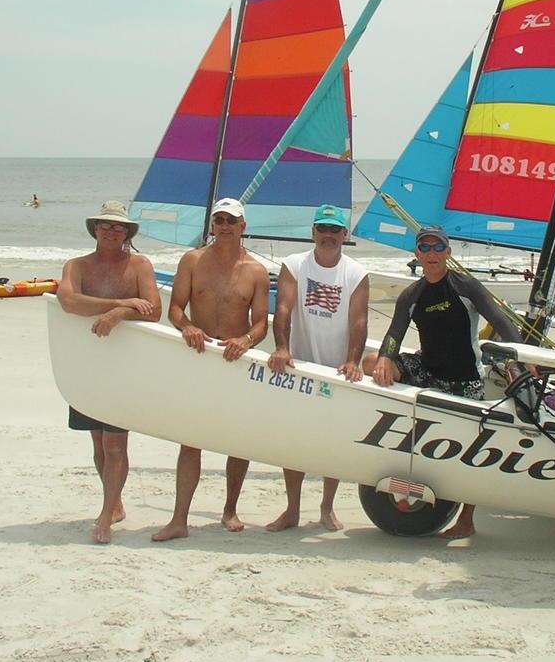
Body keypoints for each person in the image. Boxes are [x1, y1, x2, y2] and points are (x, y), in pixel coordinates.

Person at [362, 224, 528, 540]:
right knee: (372, 362)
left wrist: (521, 357)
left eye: (438, 247)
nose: (432, 254)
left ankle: (466, 520)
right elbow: (394, 334)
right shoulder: (413, 294)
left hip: (465, 381)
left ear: (448, 252)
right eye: (425, 248)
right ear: (416, 255)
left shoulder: (466, 287)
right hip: (429, 372)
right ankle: (398, 441)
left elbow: (501, 322)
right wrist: (386, 357)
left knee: (470, 455)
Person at [152, 197, 269, 542]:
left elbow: (261, 323)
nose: (225, 226)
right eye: (219, 220)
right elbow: (174, 308)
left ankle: (230, 508)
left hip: (235, 359)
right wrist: (187, 327)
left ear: (243, 227)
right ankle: (179, 519)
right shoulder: (192, 260)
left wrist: (246, 340)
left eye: (232, 221)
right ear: (212, 225)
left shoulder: (256, 271)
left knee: (239, 441)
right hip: (199, 356)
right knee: (191, 441)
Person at [57, 201, 162, 544]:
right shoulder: (77, 265)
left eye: (118, 227)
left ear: (127, 233)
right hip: (87, 365)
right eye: (105, 225)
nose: (111, 231)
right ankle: (114, 502)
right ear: (95, 229)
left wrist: (118, 315)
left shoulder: (140, 265)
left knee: (116, 444)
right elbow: (69, 302)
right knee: (99, 443)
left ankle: (105, 514)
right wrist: (122, 304)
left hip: (125, 367)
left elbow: (153, 311)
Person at [265, 204, 367, 533]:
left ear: (343, 234)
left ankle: (327, 507)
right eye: (322, 228)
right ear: (313, 232)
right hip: (300, 366)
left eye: (334, 229)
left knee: (330, 442)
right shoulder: (294, 265)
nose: (328, 235)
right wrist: (281, 347)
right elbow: (282, 308)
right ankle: (292, 509)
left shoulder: (356, 272)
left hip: (336, 370)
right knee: (294, 441)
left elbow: (360, 321)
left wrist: (353, 359)